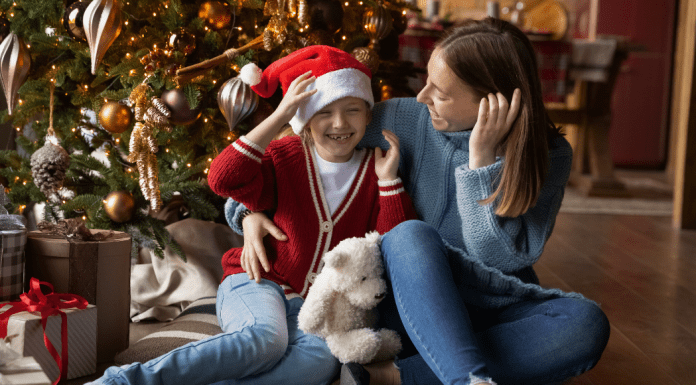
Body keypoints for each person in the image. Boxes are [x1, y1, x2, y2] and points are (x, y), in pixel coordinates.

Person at [228, 18, 610, 385]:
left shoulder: (549, 154)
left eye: (440, 93)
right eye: (427, 82)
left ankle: (392, 377)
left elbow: (501, 260)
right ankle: (468, 378)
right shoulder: (404, 118)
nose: (423, 96)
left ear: (490, 102)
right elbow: (304, 150)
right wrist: (248, 212)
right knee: (409, 235)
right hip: (411, 307)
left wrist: (480, 162)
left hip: (492, 304)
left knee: (587, 323)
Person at [89, 45, 416, 385]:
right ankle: (126, 381)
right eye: (322, 112)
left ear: (368, 114)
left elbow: (390, 245)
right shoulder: (285, 155)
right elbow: (223, 179)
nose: (339, 123)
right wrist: (280, 114)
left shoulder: (375, 170)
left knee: (320, 363)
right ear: (303, 116)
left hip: (320, 310)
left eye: (353, 110)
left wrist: (389, 181)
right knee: (265, 340)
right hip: (259, 282)